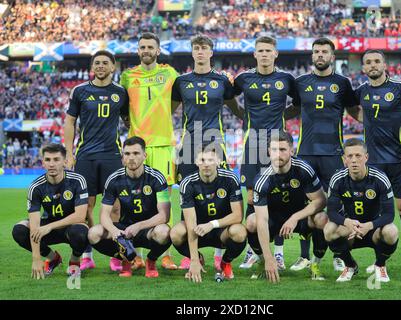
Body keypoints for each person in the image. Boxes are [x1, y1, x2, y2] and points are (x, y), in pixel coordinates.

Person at [285, 37, 361, 275]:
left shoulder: (343, 83)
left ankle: (339, 254)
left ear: (332, 57)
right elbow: (295, 109)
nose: (320, 55)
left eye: (324, 52)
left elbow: (353, 110)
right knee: (306, 205)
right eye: (316, 51)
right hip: (306, 153)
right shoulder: (300, 83)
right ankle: (304, 256)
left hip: (333, 154)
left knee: (337, 204)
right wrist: (268, 115)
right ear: (312, 56)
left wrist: (378, 124)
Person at [171, 34, 243, 271]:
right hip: (188, 145)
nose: (200, 52)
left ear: (211, 52)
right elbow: (169, 110)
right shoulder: (181, 82)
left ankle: (219, 255)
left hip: (214, 144)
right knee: (186, 197)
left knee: (221, 196)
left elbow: (236, 108)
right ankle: (193, 256)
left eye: (204, 48)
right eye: (196, 48)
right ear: (192, 53)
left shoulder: (222, 81)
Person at [355, 49, 401, 273]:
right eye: (368, 62)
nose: (372, 65)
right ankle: (378, 262)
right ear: (363, 68)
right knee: (375, 213)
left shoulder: (400, 87)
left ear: (384, 64)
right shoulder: (361, 91)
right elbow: (352, 110)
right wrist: (366, 122)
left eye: (377, 61)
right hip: (373, 164)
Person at [234, 36, 299, 271]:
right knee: (251, 197)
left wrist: (283, 118)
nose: (264, 54)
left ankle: (278, 254)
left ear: (275, 54)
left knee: (277, 198)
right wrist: (243, 117)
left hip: (277, 144)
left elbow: (299, 104)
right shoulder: (243, 78)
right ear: (254, 54)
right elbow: (229, 99)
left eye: (268, 50)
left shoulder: (286, 79)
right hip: (252, 143)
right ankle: (253, 252)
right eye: (260, 50)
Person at [64, 50, 129, 272]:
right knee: (86, 207)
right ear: (93, 67)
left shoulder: (121, 93)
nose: (100, 66)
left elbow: (129, 121)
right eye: (97, 63)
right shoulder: (80, 91)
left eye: (105, 63)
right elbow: (70, 122)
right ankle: (87, 255)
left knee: (117, 207)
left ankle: (115, 254)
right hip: (85, 156)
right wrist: (69, 153)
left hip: (112, 155)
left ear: (113, 67)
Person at [120, 32, 178, 270]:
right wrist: (128, 120)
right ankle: (135, 256)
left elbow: (175, 101)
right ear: (138, 50)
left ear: (158, 50)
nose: (146, 50)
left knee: (165, 199)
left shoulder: (170, 73)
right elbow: (122, 106)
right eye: (142, 46)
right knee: (134, 200)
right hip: (137, 147)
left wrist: (163, 116)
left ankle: (165, 255)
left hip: (164, 144)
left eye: (150, 46)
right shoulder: (127, 76)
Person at [249, 131, 327, 283]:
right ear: (268, 152)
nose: (278, 154)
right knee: (252, 221)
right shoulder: (262, 179)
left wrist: (295, 218)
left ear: (292, 150)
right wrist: (269, 257)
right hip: (274, 220)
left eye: (283, 150)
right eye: (274, 150)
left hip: (301, 219)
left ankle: (315, 265)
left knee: (322, 218)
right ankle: (263, 263)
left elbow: (321, 201)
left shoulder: (304, 169)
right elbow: (262, 220)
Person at [88, 137, 172, 278]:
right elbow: (104, 215)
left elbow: (164, 216)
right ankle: (125, 258)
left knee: (164, 232)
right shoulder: (113, 179)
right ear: (122, 158)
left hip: (148, 229)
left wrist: (139, 226)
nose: (131, 158)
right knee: (93, 233)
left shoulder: (157, 178)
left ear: (145, 156)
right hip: (123, 229)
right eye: (127, 154)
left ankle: (151, 260)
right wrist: (115, 231)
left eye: (136, 153)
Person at [324, 138, 399, 283]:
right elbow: (331, 212)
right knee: (329, 229)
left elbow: (390, 214)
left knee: (392, 231)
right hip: (350, 230)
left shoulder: (379, 178)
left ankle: (380, 265)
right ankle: (350, 266)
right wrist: (348, 222)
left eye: (358, 156)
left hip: (374, 230)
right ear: (344, 159)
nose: (354, 160)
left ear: (366, 157)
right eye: (349, 156)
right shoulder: (337, 179)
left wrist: (369, 226)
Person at [170, 143, 247, 282]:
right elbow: (190, 222)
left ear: (218, 161)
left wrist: (212, 224)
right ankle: (198, 259)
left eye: (211, 160)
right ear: (196, 162)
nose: (206, 164)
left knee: (240, 232)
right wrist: (194, 260)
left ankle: (225, 262)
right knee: (175, 233)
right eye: (202, 160)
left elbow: (238, 216)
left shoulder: (230, 179)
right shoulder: (188, 183)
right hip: (197, 230)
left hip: (222, 231)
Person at [12, 144, 89, 279]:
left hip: (71, 227)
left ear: (65, 162)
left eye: (56, 159)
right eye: (47, 160)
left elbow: (80, 216)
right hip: (48, 227)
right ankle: (53, 258)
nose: (51, 164)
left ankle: (75, 260)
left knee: (81, 233)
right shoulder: (36, 187)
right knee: (19, 230)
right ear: (43, 163)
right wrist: (36, 259)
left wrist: (49, 226)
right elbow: (35, 224)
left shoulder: (78, 180)